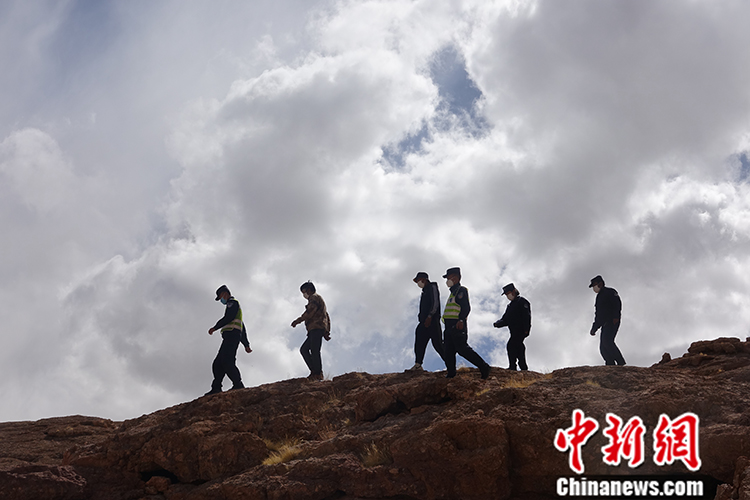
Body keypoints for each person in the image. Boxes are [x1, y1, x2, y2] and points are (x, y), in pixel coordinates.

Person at [442, 267, 491, 379]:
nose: (447, 281)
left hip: (457, 325)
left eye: (449, 278)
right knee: (448, 351)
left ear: (456, 278)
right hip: (448, 326)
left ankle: (484, 367)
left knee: (462, 349)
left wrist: (461, 320)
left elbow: (466, 307)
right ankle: (451, 373)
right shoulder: (453, 293)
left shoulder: (461, 290)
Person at [205, 285, 252, 396]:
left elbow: (228, 318)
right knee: (217, 363)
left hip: (232, 336)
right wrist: (246, 344)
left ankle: (238, 384)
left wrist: (215, 327)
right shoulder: (233, 307)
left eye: (220, 297)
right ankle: (216, 387)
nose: (221, 300)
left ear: (224, 293)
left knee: (227, 361)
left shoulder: (233, 303)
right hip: (229, 336)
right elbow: (242, 326)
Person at [291, 281, 331, 381]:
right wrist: (326, 331)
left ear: (308, 290)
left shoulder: (314, 297)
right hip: (314, 329)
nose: (304, 295)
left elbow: (310, 312)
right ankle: (314, 372)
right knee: (305, 349)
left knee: (314, 350)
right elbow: (326, 316)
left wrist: (297, 321)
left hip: (316, 328)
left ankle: (317, 373)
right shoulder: (318, 299)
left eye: (304, 292)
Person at [407, 272, 446, 372]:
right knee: (419, 341)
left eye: (418, 280)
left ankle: (450, 364)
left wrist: (430, 316)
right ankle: (418, 365)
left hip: (432, 321)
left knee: (438, 344)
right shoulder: (424, 291)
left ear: (424, 279)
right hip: (423, 322)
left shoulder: (432, 287)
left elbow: (435, 303)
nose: (418, 283)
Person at [589, 275, 626, 366]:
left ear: (600, 283)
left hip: (612, 321)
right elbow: (598, 315)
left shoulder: (610, 292)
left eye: (594, 285)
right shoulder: (599, 297)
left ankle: (620, 363)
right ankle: (610, 364)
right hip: (604, 324)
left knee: (607, 341)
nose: (594, 288)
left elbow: (617, 304)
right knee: (603, 347)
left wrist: (616, 317)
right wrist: (594, 328)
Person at [493, 283, 531, 371]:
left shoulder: (522, 301)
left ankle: (513, 367)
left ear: (514, 291)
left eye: (508, 293)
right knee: (519, 347)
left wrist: (526, 329)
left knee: (511, 345)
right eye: (506, 295)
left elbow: (527, 316)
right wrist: (497, 324)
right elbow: (505, 319)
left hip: (521, 330)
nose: (508, 296)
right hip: (513, 331)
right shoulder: (510, 306)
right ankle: (523, 367)